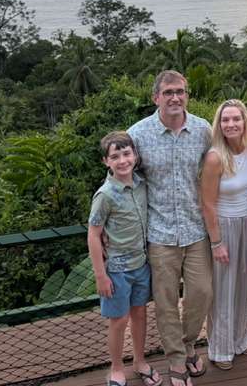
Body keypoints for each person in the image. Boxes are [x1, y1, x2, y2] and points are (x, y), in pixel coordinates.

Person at [127, 71, 212, 386]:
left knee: (202, 293)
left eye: (181, 91)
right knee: (165, 302)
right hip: (160, 233)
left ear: (187, 94)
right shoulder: (138, 134)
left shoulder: (203, 130)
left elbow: (233, 156)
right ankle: (177, 360)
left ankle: (188, 344)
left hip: (196, 230)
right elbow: (121, 176)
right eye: (168, 92)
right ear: (156, 97)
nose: (175, 97)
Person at [87, 131, 162, 386]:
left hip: (141, 265)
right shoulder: (105, 195)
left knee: (140, 314)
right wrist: (100, 275)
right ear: (106, 161)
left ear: (135, 156)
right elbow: (94, 235)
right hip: (117, 270)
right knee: (118, 321)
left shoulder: (142, 184)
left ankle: (139, 361)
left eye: (127, 154)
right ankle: (117, 367)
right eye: (115, 156)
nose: (122, 160)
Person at [200, 99, 247, 370]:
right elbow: (207, 204)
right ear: (219, 125)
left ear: (244, 121)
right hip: (223, 226)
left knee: (243, 286)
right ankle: (220, 348)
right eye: (225, 120)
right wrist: (217, 243)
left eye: (235, 119)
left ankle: (239, 340)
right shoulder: (215, 157)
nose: (230, 124)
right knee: (223, 290)